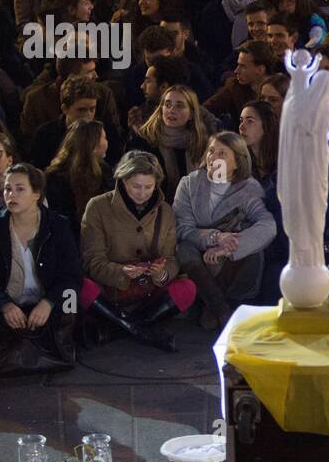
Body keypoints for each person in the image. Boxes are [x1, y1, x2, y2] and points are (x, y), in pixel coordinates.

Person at [80, 151, 196, 353]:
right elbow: (91, 259)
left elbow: (170, 259)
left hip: (149, 290)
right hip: (111, 289)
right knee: (79, 287)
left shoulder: (166, 211)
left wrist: (162, 273)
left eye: (148, 187)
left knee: (187, 288)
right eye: (136, 186)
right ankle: (141, 328)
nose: (142, 193)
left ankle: (119, 327)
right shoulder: (98, 207)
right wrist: (120, 272)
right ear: (123, 180)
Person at [0, 163, 80, 375]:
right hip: (11, 300)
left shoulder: (57, 225)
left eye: (20, 189)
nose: (11, 194)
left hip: (46, 299)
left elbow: (72, 276)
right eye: (7, 189)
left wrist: (49, 302)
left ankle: (56, 350)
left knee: (71, 302)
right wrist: (4, 304)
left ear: (36, 194)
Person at [173, 132, 277, 330]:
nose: (214, 157)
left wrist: (229, 247)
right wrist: (214, 237)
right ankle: (219, 308)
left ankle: (212, 309)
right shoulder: (190, 183)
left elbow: (267, 224)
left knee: (250, 241)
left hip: (226, 257)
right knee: (184, 249)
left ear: (237, 161)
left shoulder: (249, 188)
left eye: (222, 153)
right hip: (197, 248)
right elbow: (183, 228)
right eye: (211, 151)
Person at [128, 85, 209, 203]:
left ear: (191, 113)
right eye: (167, 105)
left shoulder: (201, 143)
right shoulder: (143, 142)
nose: (171, 110)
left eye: (179, 106)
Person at [44, 119, 112, 234]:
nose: (107, 141)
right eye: (104, 137)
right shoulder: (56, 177)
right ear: (93, 145)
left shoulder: (104, 171)